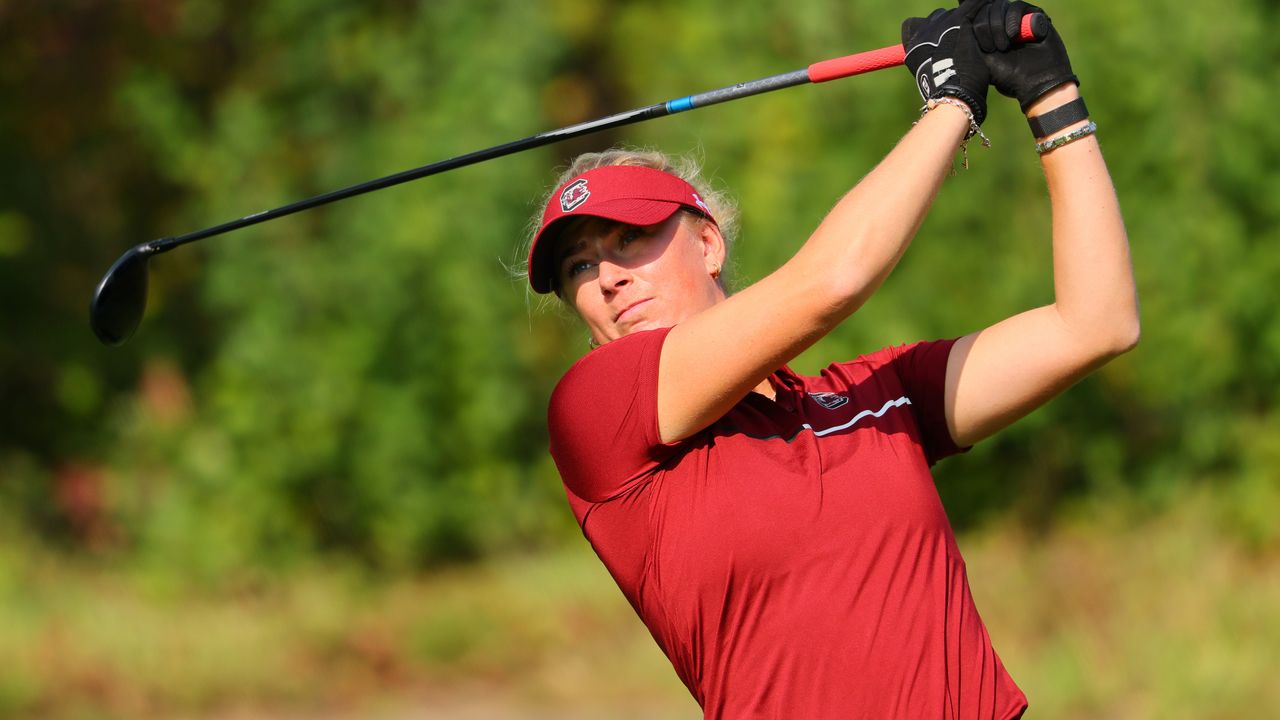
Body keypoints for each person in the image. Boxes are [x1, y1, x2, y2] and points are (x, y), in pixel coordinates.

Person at [522, 1, 1138, 717]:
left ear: (709, 244)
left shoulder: (874, 398)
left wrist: (1050, 95)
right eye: (577, 269)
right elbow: (833, 281)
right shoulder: (595, 414)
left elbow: (1097, 323)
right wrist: (949, 105)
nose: (605, 278)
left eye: (628, 240)